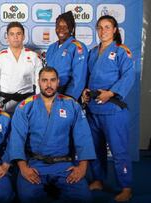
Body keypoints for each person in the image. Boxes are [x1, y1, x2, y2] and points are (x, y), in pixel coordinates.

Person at [8, 67, 96, 202]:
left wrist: (82, 168)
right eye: (44, 80)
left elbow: (83, 137)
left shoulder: (72, 105)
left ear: (58, 82)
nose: (49, 85)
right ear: (38, 82)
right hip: (35, 164)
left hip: (64, 165)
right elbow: (17, 140)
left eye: (52, 80)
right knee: (27, 197)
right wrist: (23, 168)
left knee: (84, 197)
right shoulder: (25, 107)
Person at [82, 15, 135, 202]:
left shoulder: (121, 51)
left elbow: (128, 77)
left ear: (114, 30)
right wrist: (85, 91)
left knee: (119, 151)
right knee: (96, 149)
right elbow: (87, 77)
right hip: (94, 109)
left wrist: (111, 94)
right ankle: (98, 179)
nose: (103, 31)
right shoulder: (93, 52)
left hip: (113, 110)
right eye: (100, 27)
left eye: (107, 27)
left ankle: (126, 187)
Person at [0, 22, 43, 114]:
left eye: (18, 34)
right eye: (12, 34)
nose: (15, 37)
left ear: (23, 36)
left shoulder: (34, 57)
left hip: (27, 102)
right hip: (4, 104)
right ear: (7, 37)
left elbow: (39, 81)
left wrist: (38, 100)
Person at [45, 11, 88, 100]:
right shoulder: (51, 47)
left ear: (71, 29)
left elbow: (79, 78)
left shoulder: (78, 47)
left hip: (67, 94)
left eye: (65, 27)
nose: (61, 30)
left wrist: (69, 98)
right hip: (49, 95)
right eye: (58, 26)